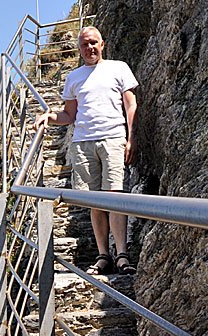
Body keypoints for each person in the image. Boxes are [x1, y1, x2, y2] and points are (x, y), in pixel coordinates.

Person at [34, 26, 138, 275]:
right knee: (94, 202)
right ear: (79, 49)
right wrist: (49, 116)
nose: (90, 48)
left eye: (93, 43)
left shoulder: (119, 67)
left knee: (115, 197)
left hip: (113, 138)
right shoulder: (73, 78)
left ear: (102, 43)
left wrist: (132, 137)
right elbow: (69, 115)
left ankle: (122, 255)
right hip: (83, 143)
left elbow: (131, 104)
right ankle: (103, 256)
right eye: (84, 45)